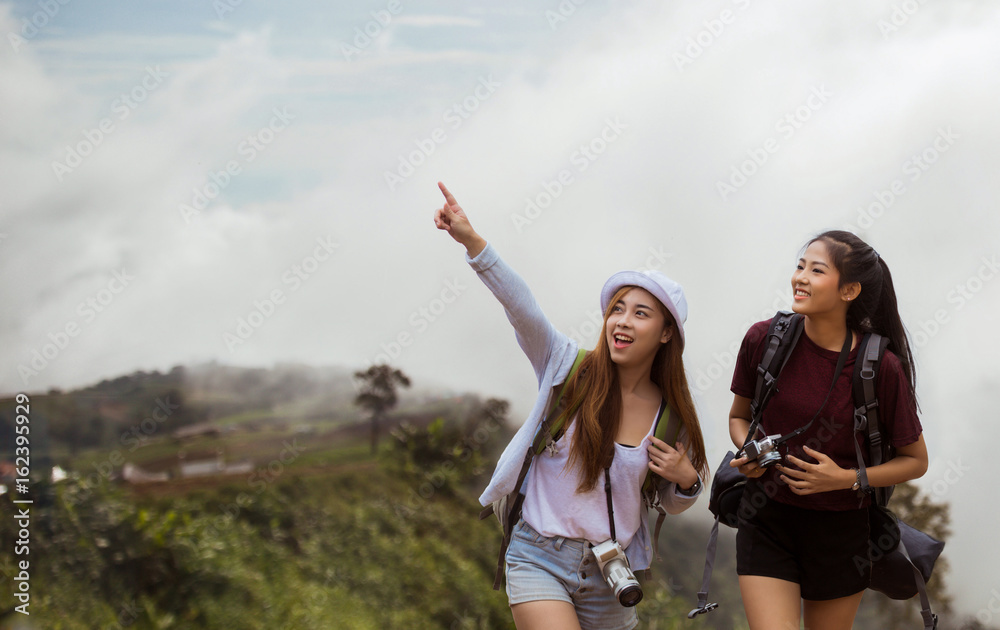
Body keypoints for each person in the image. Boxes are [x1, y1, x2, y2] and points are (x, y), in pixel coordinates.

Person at [433, 181, 708, 630]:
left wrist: (688, 480)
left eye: (641, 313)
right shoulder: (567, 366)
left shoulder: (670, 415)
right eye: (618, 309)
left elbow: (671, 503)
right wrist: (473, 242)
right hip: (537, 555)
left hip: (611, 574)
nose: (622, 320)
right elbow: (523, 310)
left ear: (665, 334)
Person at [728, 230, 928, 630]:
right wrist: (751, 451)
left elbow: (915, 461)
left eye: (816, 270)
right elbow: (739, 418)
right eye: (800, 266)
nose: (799, 277)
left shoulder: (879, 368)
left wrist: (847, 478)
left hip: (842, 534)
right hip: (766, 517)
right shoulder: (764, 339)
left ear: (849, 290)